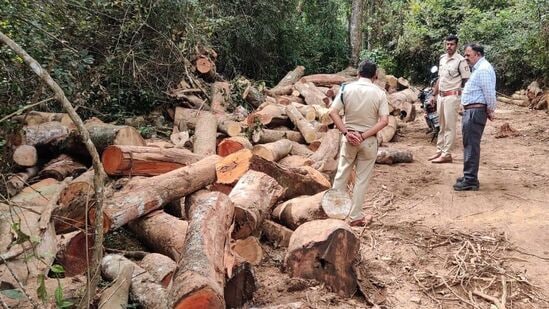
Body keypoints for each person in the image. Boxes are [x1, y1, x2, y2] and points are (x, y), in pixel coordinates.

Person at [329, 60, 389, 227]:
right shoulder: (379, 93)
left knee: (341, 174)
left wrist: (347, 132)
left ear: (358, 73)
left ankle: (334, 213)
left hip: (349, 139)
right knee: (362, 179)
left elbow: (332, 112)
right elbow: (384, 121)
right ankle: (355, 216)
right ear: (375, 76)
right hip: (368, 141)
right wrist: (363, 136)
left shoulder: (346, 88)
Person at [454, 43, 496, 191]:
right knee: (469, 143)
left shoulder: (483, 70)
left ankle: (470, 180)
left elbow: (489, 92)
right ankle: (468, 175)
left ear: (477, 54)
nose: (466, 58)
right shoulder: (479, 69)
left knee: (471, 144)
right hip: (472, 111)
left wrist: (491, 110)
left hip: (475, 112)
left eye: (468, 55)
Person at [428, 34, 471, 163]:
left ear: (456, 45)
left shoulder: (461, 61)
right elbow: (440, 79)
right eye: (447, 44)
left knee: (449, 126)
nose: (449, 47)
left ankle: (447, 154)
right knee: (441, 125)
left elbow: (466, 81)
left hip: (452, 96)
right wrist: (433, 95)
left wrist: (464, 100)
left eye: (451, 44)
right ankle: (439, 150)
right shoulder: (442, 59)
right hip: (441, 96)